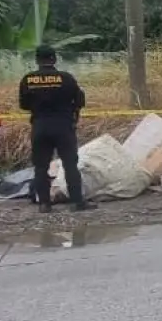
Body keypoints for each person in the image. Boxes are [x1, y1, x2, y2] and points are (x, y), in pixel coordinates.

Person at [18, 45, 96, 213]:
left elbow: (24, 105)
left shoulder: (28, 79)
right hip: (63, 126)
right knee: (70, 165)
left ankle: (44, 204)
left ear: (37, 60)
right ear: (54, 59)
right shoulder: (66, 78)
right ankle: (77, 202)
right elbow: (79, 100)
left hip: (40, 126)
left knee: (40, 167)